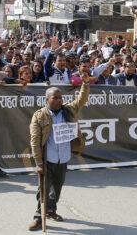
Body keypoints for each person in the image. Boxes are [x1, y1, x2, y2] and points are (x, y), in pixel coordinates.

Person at [28, 72, 90, 231]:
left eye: (60, 97)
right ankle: (38, 217)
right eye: (55, 98)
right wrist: (39, 162)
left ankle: (51, 211)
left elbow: (81, 99)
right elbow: (35, 140)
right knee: (43, 188)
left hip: (63, 158)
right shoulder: (39, 115)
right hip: (48, 158)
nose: (58, 100)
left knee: (57, 187)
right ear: (47, 100)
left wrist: (85, 84)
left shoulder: (68, 110)